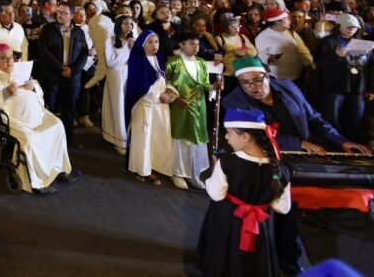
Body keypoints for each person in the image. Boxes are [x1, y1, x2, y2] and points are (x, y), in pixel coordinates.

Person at [222, 56, 372, 274]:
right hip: (266, 162)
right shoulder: (234, 101)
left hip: (303, 158)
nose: (253, 87)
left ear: (268, 75)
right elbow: (253, 138)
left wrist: (342, 141)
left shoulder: (288, 87)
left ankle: (292, 257)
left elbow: (314, 118)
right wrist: (297, 143)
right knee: (280, 216)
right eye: (245, 83)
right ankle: (281, 261)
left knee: (298, 213)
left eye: (258, 80)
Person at [197, 108, 291, 277]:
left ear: (246, 137)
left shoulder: (227, 162)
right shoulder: (281, 169)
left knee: (224, 262)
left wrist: (213, 172)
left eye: (229, 133)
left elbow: (216, 194)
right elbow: (282, 207)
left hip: (228, 223)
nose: (226, 137)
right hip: (260, 227)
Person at [0, 44, 79, 194]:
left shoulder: (19, 69)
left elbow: (36, 88)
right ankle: (36, 182)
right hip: (15, 120)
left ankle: (59, 170)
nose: (9, 62)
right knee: (30, 139)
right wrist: (5, 92)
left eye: (11, 57)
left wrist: (33, 86)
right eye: (4, 59)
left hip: (37, 114)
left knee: (57, 125)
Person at [166, 32, 222, 190]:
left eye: (197, 44)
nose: (196, 47)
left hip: (198, 106)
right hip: (180, 106)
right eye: (191, 43)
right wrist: (174, 98)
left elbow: (205, 83)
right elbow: (165, 84)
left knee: (197, 139)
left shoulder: (201, 63)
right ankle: (177, 172)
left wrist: (214, 87)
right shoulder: (173, 63)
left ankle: (194, 174)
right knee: (180, 138)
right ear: (182, 45)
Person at [312, 12, 374, 143]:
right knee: (332, 117)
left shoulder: (363, 43)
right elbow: (319, 64)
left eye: (354, 27)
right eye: (348, 26)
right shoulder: (328, 42)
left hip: (357, 87)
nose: (351, 29)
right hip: (334, 86)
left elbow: (370, 68)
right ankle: (335, 143)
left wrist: (371, 89)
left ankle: (356, 145)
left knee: (356, 118)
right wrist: (335, 55)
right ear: (339, 26)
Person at [124, 30, 176, 186]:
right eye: (150, 42)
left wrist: (169, 91)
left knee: (156, 139)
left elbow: (163, 79)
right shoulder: (137, 60)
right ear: (142, 44)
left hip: (159, 108)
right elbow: (139, 86)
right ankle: (141, 169)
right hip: (144, 106)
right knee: (143, 140)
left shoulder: (158, 59)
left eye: (157, 42)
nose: (155, 45)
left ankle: (153, 166)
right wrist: (159, 95)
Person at [38, 3, 89, 143]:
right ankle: (50, 140)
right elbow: (43, 51)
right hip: (52, 75)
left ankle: (68, 139)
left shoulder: (79, 32)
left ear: (72, 16)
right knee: (50, 108)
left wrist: (73, 70)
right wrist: (60, 68)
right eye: (59, 12)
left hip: (72, 77)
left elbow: (84, 53)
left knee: (69, 109)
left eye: (64, 13)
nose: (60, 15)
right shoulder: (48, 29)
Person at [102, 14, 134, 155]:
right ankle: (118, 139)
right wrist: (127, 48)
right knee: (117, 106)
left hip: (131, 76)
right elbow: (110, 63)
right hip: (117, 77)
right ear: (119, 25)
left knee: (129, 106)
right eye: (125, 23)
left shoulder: (133, 40)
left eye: (131, 24)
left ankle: (130, 137)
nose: (129, 27)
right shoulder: (111, 40)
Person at [254, 7, 312, 81]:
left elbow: (302, 51)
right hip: (278, 78)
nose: (290, 21)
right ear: (277, 21)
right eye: (286, 19)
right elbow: (260, 55)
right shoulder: (262, 37)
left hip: (297, 75)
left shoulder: (291, 33)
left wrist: (308, 67)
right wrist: (270, 58)